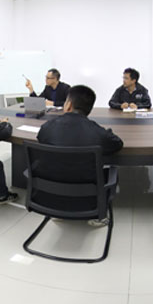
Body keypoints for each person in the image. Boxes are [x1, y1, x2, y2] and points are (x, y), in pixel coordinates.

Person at [37, 85, 124, 226]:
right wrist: (108, 132)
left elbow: (41, 138)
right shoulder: (97, 132)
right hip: (88, 198)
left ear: (68, 105)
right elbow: (117, 144)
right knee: (112, 172)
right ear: (89, 109)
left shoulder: (47, 127)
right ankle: (99, 216)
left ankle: (59, 211)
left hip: (52, 197)